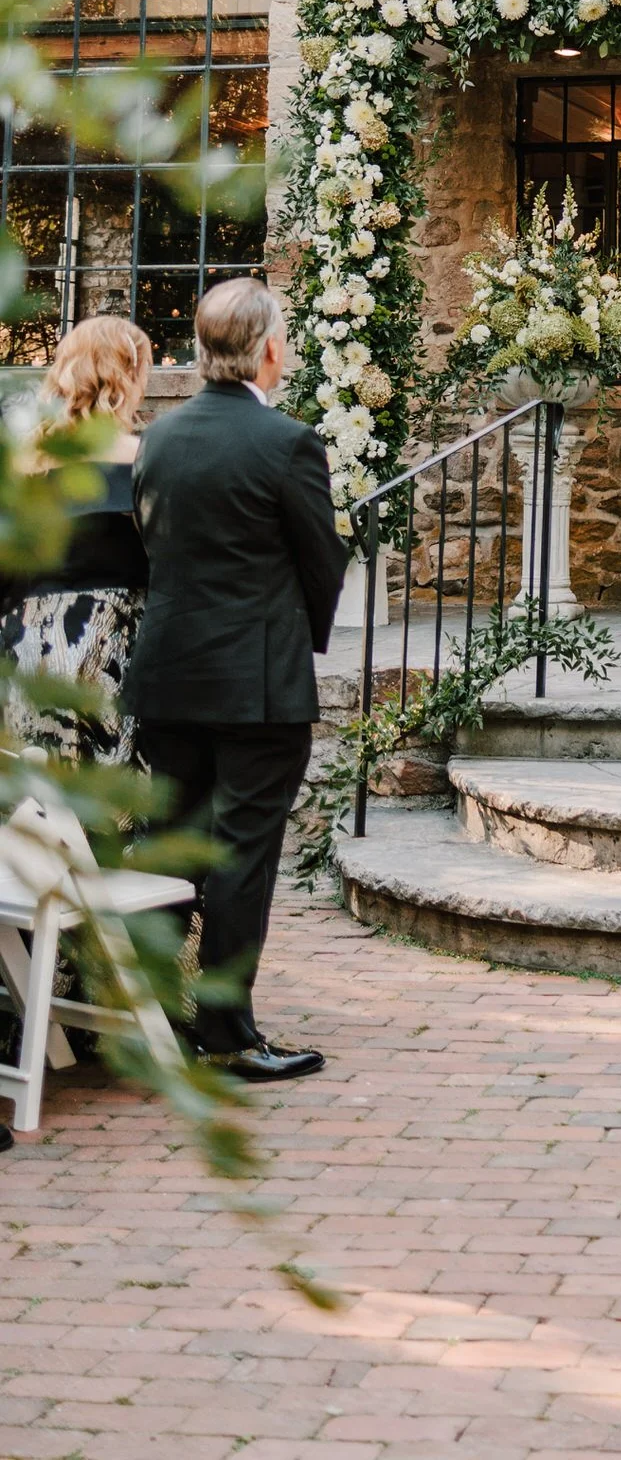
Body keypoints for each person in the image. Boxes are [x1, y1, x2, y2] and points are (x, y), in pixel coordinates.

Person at [126, 278, 348, 1081]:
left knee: (168, 848)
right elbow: (322, 565)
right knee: (242, 858)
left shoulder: (160, 435)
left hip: (169, 673)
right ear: (268, 350)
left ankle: (147, 1018)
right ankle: (226, 1033)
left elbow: (149, 544)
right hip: (256, 686)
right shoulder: (288, 443)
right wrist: (299, 636)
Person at [0, 316, 153, 764]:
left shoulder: (23, 461)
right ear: (127, 376)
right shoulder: (144, 458)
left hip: (28, 644)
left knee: (45, 797)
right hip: (111, 645)